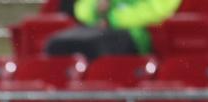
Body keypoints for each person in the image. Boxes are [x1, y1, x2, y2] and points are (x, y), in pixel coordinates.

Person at [45, 0, 180, 59]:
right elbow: (81, 8)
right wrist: (96, 7)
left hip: (135, 34)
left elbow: (155, 11)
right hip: (97, 29)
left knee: (92, 46)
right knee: (56, 44)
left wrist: (112, 19)